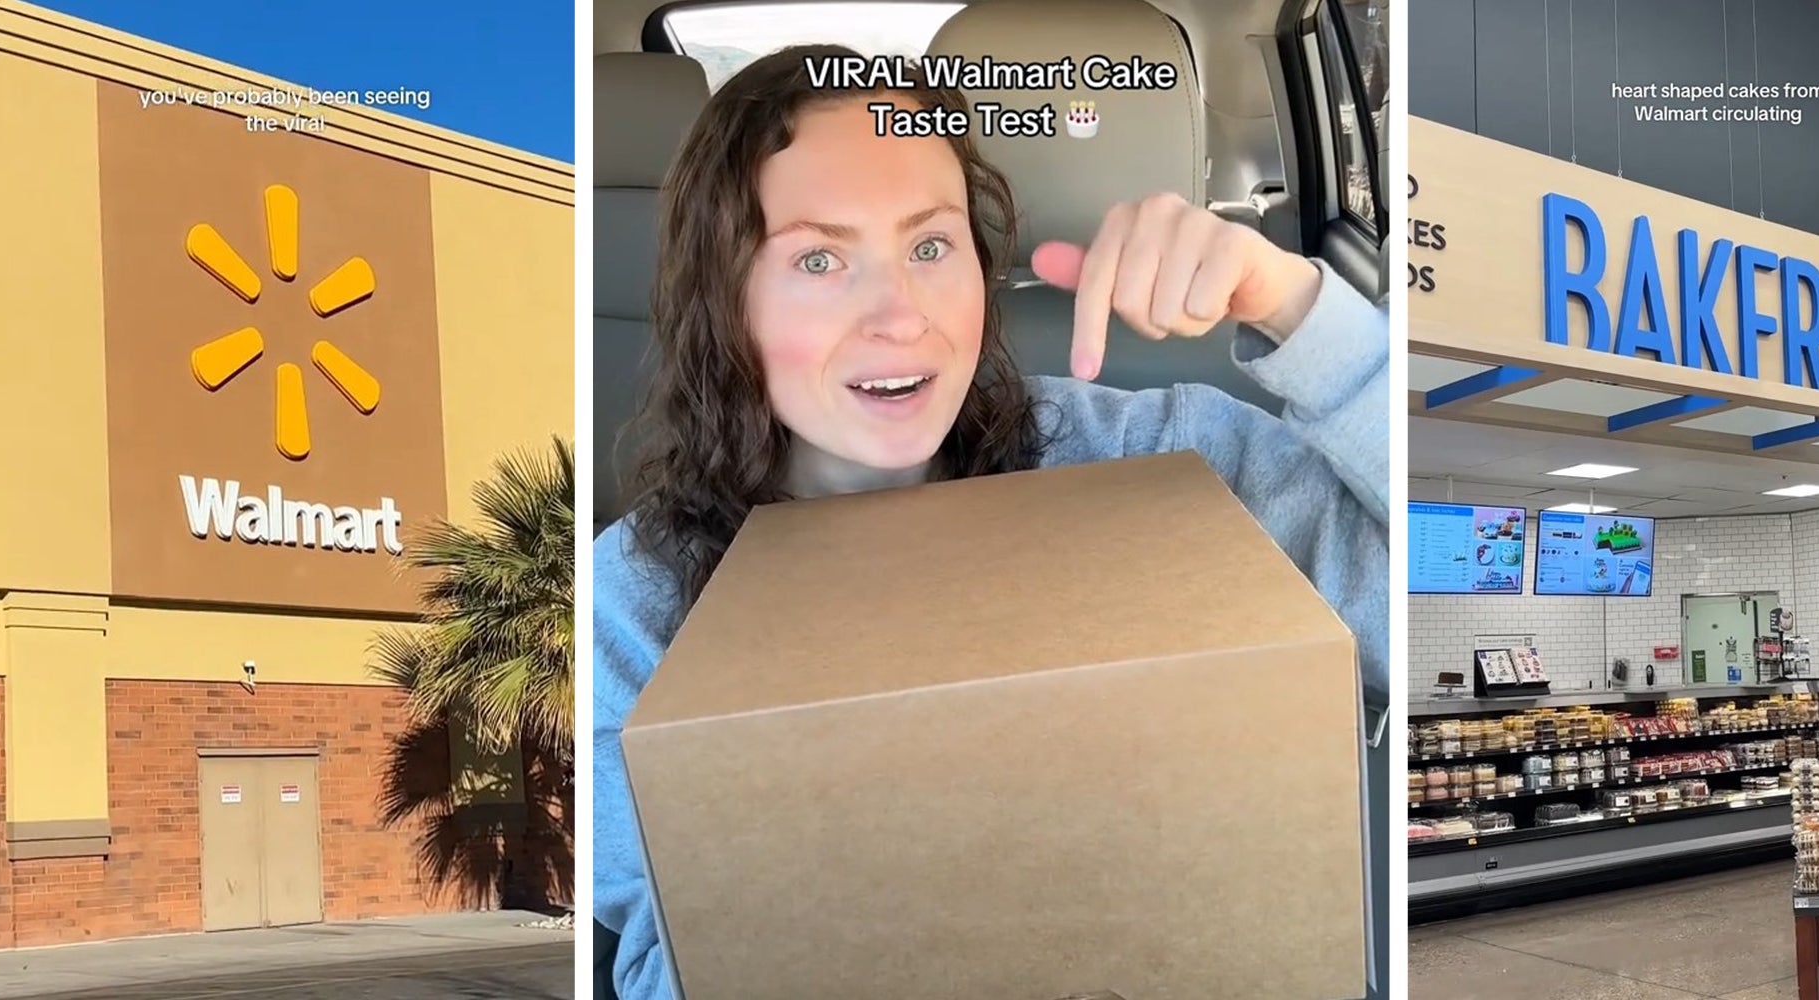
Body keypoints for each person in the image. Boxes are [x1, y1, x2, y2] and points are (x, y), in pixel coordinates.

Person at [593, 43, 1388, 998]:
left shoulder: (1164, 462)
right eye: (817, 258)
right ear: (723, 301)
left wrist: (1294, 308)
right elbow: (656, 958)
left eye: (930, 246)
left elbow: (1406, 606)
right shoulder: (629, 606)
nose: (899, 315)